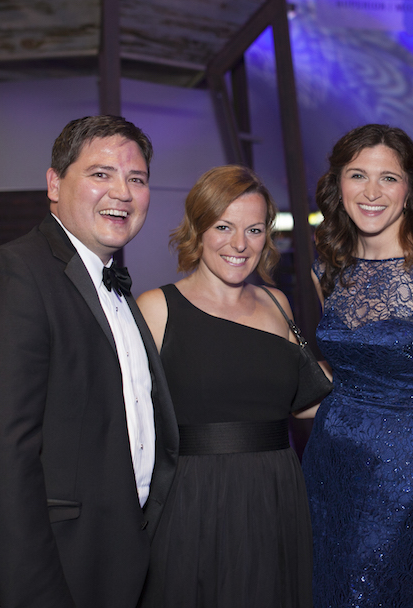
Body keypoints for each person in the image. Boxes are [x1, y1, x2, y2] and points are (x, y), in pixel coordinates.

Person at [0, 115, 178, 608]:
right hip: (48, 571)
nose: (123, 192)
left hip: (113, 559)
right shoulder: (11, 275)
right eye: (100, 174)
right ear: (54, 184)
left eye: (136, 179)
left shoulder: (114, 286)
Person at [136, 165, 321, 608]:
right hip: (194, 499)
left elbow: (308, 399)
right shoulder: (157, 307)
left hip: (277, 494)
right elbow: (131, 423)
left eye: (254, 229)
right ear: (197, 230)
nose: (240, 244)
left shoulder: (278, 302)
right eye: (224, 226)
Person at [300, 124, 413, 607]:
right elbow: (342, 371)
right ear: (337, 185)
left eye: (388, 179)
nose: (371, 192)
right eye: (358, 175)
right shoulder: (327, 269)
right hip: (329, 458)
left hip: (405, 469)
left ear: (411, 190)